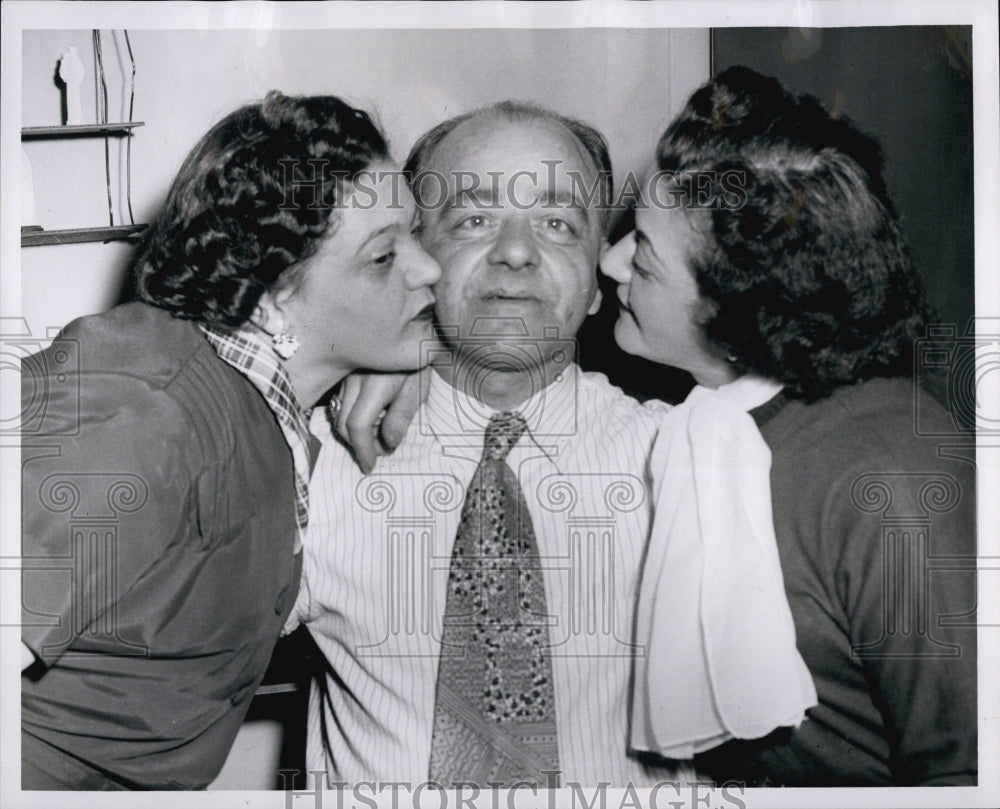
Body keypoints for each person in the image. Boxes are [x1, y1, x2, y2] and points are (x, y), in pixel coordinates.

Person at [20, 91, 440, 790]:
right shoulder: (141, 410)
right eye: (383, 256)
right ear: (272, 297)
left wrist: (419, 366)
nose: (426, 268)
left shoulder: (269, 399)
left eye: (416, 234)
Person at [294, 101, 691, 788]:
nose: (515, 251)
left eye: (559, 224)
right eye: (473, 219)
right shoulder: (312, 461)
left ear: (601, 280)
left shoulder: (686, 459)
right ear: (411, 256)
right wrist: (342, 355)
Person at [601, 66, 977, 786]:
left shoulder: (892, 473)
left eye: (643, 252)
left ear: (740, 308)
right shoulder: (694, 424)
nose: (610, 259)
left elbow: (968, 768)